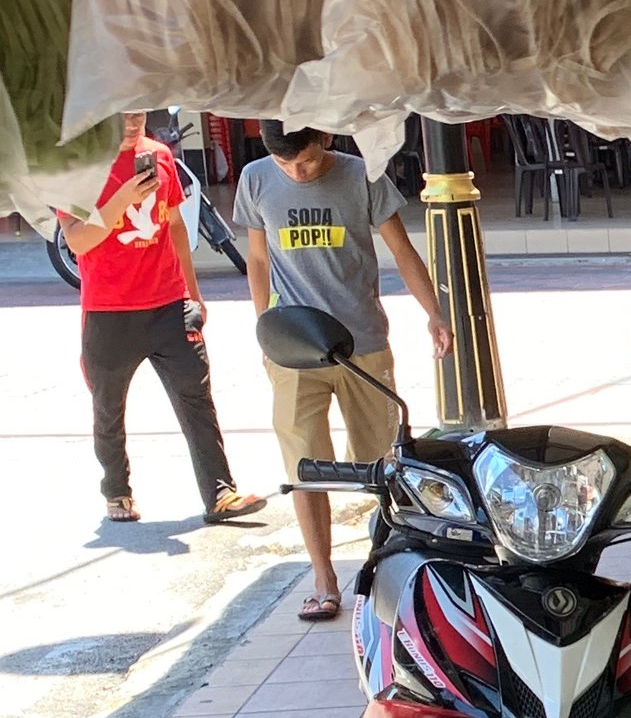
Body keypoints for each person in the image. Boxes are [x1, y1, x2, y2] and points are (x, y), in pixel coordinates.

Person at [235, 124, 453, 623]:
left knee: (383, 465)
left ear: (325, 141)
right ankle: (324, 580)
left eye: (306, 162)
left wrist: (433, 313)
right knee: (303, 468)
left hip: (362, 346)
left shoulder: (363, 176)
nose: (297, 172)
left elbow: (401, 250)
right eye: (286, 165)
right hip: (292, 346)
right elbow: (257, 258)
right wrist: (264, 328)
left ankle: (391, 571)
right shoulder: (255, 178)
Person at [62, 111, 264, 530]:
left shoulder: (159, 156)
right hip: (109, 311)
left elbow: (173, 225)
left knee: (197, 398)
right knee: (108, 407)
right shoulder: (78, 164)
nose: (132, 123)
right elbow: (79, 239)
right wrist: (124, 196)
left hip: (168, 303)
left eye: (139, 113)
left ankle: (220, 492)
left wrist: (193, 292)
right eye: (120, 115)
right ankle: (116, 489)